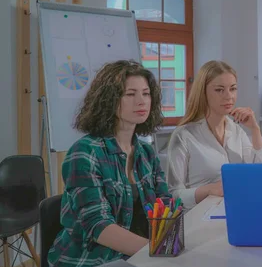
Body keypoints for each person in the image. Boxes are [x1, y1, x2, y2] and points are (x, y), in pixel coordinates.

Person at [47, 60, 171, 266]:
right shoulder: (84, 152)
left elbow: (164, 203)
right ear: (109, 100)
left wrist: (175, 240)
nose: (141, 101)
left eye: (146, 93)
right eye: (130, 94)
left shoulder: (146, 152)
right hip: (91, 259)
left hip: (136, 255)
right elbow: (99, 226)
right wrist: (158, 250)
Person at [167, 61, 262, 209]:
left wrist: (255, 130)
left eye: (233, 89)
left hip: (236, 211)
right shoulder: (183, 135)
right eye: (219, 90)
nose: (229, 96)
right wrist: (208, 190)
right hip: (198, 219)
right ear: (203, 92)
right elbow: (173, 195)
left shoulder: (237, 132)